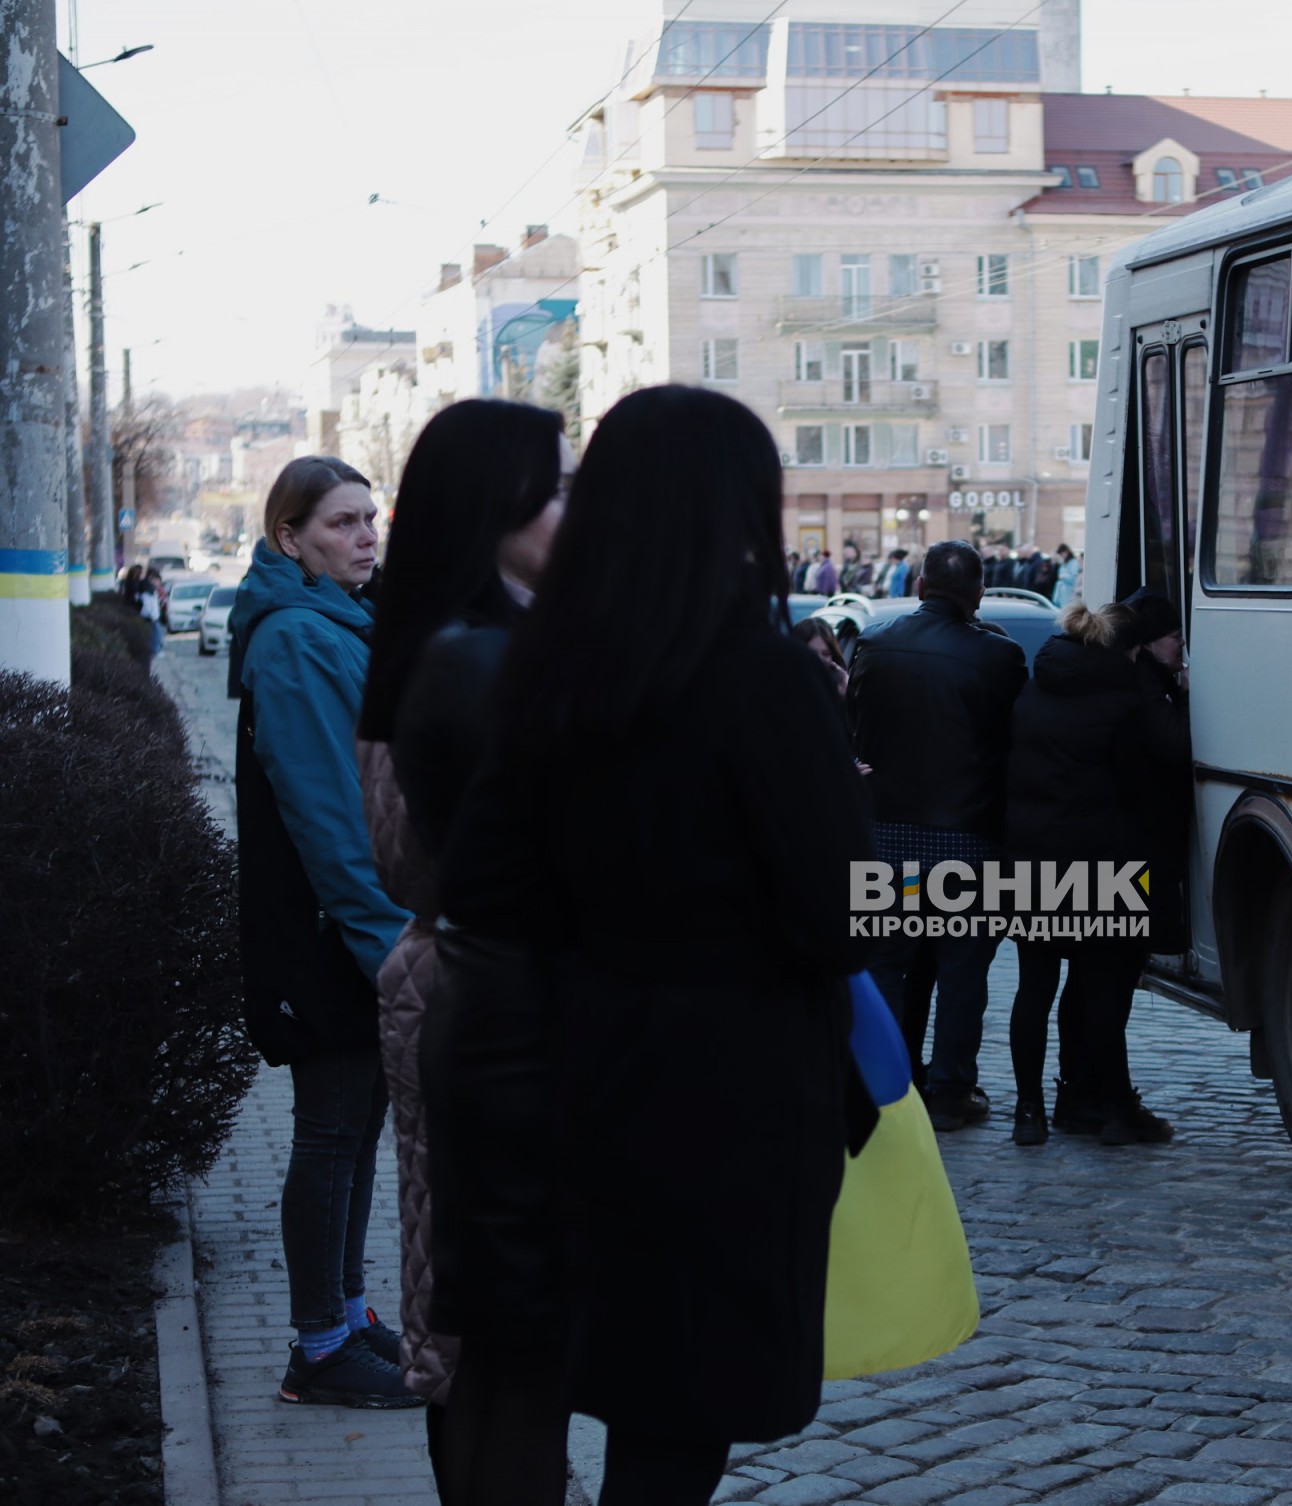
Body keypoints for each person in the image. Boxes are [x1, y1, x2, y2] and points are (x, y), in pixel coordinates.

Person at [436, 385, 874, 1504]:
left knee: (636, 1388)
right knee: (684, 1421)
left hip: (588, 1067)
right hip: (735, 1091)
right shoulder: (758, 676)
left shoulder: (546, 671)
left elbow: (480, 887)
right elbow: (836, 913)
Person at [353, 399, 573, 1502]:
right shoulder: (455, 652)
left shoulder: (513, 635)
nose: (576, 512)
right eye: (557, 489)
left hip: (476, 986)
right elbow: (406, 860)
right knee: (471, 1313)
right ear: (495, 507)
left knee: (499, 1302)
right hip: (471, 990)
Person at [228, 456, 418, 1408]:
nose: (364, 537)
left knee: (356, 1130)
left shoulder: (338, 620)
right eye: (341, 523)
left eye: (369, 519)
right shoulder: (298, 637)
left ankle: (346, 1315)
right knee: (332, 1134)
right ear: (288, 538)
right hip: (332, 935)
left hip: (354, 927)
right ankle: (318, 1347)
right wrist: (389, 947)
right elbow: (333, 818)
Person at [847, 539, 1027, 1131]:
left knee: (886, 964)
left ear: (920, 586)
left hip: (888, 836)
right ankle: (951, 1091)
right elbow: (1012, 741)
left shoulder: (875, 642)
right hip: (968, 838)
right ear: (979, 594)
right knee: (962, 974)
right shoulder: (999, 657)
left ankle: (887, 1085)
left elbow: (855, 731)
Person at [1003, 588, 1189, 1147]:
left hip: (1032, 856)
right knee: (1103, 990)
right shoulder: (1122, 703)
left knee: (1035, 987)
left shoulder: (1035, 688)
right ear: (1127, 651)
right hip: (1102, 860)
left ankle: (1030, 1112)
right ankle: (1115, 1109)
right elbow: (1140, 790)